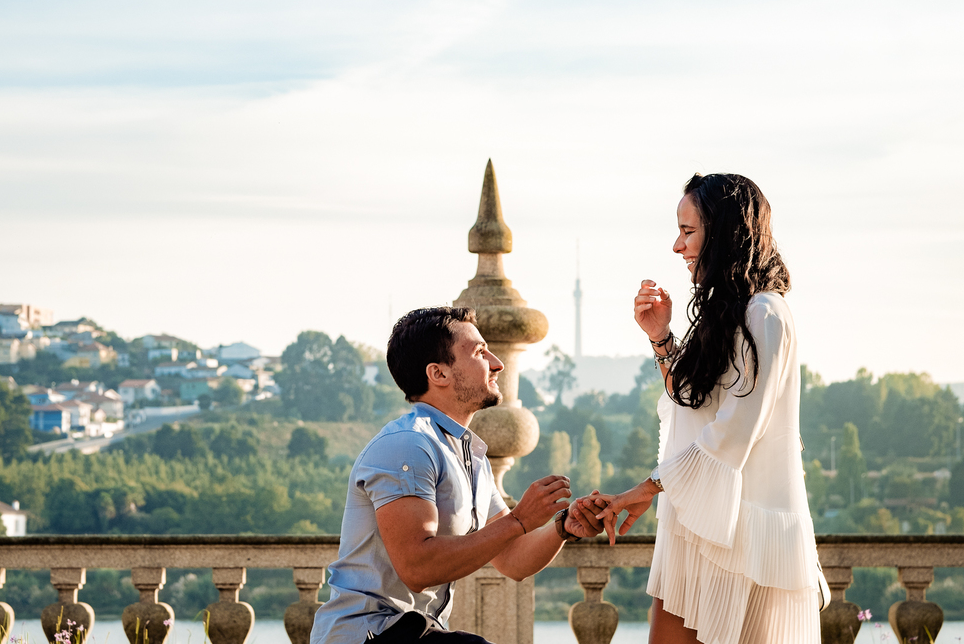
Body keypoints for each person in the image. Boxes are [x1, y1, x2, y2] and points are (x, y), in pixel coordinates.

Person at [590, 173, 825, 644]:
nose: (677, 246)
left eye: (688, 231)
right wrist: (661, 336)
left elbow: (735, 431)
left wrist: (648, 487)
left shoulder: (765, 314)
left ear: (723, 233)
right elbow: (692, 401)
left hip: (744, 534)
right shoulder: (728, 313)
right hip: (699, 521)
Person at [311, 306, 609, 644]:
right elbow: (417, 568)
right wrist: (519, 520)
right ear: (438, 373)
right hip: (369, 634)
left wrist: (563, 526)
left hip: (414, 632)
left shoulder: (470, 456)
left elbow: (512, 559)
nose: (497, 363)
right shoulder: (407, 445)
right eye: (480, 352)